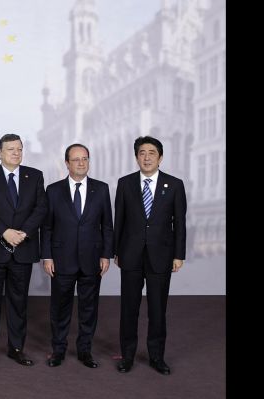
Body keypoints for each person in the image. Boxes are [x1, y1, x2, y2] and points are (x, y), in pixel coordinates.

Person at [114, 136, 186, 375]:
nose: (146, 157)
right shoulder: (125, 184)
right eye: (142, 153)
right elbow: (119, 221)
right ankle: (127, 356)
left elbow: (180, 224)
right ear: (136, 157)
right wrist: (116, 251)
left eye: (151, 153)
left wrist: (179, 255)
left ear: (160, 157)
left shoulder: (174, 185)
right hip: (130, 256)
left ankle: (156, 357)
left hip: (161, 257)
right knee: (129, 309)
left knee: (157, 310)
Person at [0, 133, 47, 366]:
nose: (16, 153)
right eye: (10, 149)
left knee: (18, 303)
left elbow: (40, 208)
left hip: (23, 249)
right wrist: (5, 232)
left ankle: (16, 348)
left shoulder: (34, 176)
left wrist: (23, 233)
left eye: (19, 149)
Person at [41, 144, 113, 368]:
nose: (81, 163)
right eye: (76, 159)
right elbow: (47, 227)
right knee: (60, 308)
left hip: (92, 259)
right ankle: (58, 350)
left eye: (85, 159)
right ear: (67, 163)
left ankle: (85, 351)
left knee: (88, 308)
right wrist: (47, 256)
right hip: (61, 259)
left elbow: (107, 226)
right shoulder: (53, 191)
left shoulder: (101, 189)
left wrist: (106, 255)